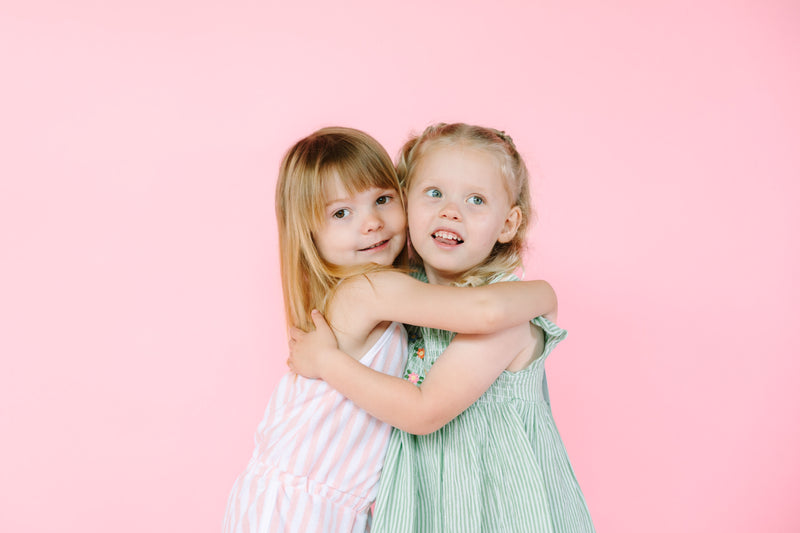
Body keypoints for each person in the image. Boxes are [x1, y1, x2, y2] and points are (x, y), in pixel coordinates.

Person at [222, 126, 558, 532]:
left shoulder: (398, 287)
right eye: (341, 213)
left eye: (382, 200)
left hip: (324, 502)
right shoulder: (370, 289)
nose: (372, 223)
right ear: (309, 232)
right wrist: (546, 295)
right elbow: (484, 312)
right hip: (303, 508)